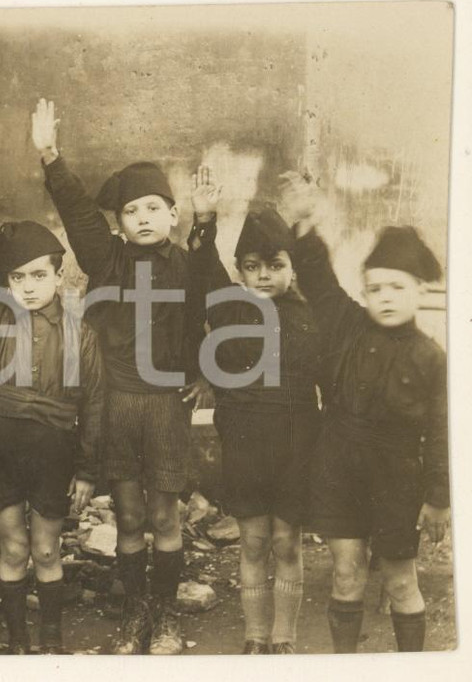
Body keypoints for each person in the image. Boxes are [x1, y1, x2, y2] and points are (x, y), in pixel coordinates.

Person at [31, 99, 213, 655]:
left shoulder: (187, 262)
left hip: (165, 405)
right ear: (121, 222)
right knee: (129, 512)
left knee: (164, 512)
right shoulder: (107, 261)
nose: (142, 218)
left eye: (154, 208)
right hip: (117, 402)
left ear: (173, 215)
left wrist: (206, 373)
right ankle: (136, 613)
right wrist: (50, 157)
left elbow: (216, 301)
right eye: (131, 210)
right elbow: (81, 215)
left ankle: (165, 616)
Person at [283, 172, 449, 653]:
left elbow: (442, 431)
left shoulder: (430, 356)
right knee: (346, 573)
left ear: (418, 291)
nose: (387, 298)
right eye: (376, 289)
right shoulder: (346, 326)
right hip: (338, 468)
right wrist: (303, 223)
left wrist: (439, 497)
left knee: (400, 581)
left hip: (397, 476)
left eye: (397, 287)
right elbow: (317, 277)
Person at [187, 193, 321, 654]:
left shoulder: (310, 315)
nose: (263, 275)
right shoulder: (227, 307)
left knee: (287, 542)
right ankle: (255, 637)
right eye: (251, 265)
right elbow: (203, 265)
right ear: (240, 270)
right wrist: (204, 218)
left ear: (292, 267)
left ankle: (284, 638)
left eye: (274, 264)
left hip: (296, 444)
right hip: (244, 444)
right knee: (254, 542)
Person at [0, 220, 102, 653]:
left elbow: (93, 404)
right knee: (13, 547)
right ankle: (18, 643)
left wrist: (86, 468)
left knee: (45, 549)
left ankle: (51, 639)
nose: (27, 287)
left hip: (52, 449)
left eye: (39, 275)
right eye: (17, 277)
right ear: (4, 281)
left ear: (60, 277)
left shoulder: (80, 333)